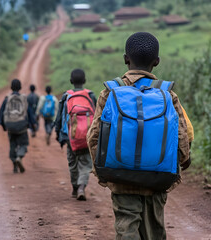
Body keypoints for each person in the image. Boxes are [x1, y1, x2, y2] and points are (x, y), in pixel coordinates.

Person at [86, 32, 194, 239]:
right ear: (157, 61)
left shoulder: (110, 92)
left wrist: (103, 171)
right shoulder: (168, 94)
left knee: (126, 226)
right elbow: (182, 135)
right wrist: (180, 163)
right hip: (158, 178)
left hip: (120, 175)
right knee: (154, 230)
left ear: (126, 59)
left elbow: (94, 136)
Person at [54, 69, 97, 201]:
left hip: (70, 137)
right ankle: (81, 187)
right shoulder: (90, 95)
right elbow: (97, 116)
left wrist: (58, 134)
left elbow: (59, 119)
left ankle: (74, 187)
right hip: (87, 136)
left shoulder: (66, 96)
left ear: (71, 81)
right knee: (85, 163)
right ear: (84, 81)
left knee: (72, 163)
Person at [0, 79, 36, 173]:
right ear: (20, 87)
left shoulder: (7, 99)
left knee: (12, 145)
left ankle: (14, 164)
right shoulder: (24, 99)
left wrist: (4, 126)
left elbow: (1, 114)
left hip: (10, 127)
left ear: (11, 87)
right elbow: (30, 113)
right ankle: (19, 156)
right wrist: (33, 125)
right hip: (22, 126)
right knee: (23, 144)